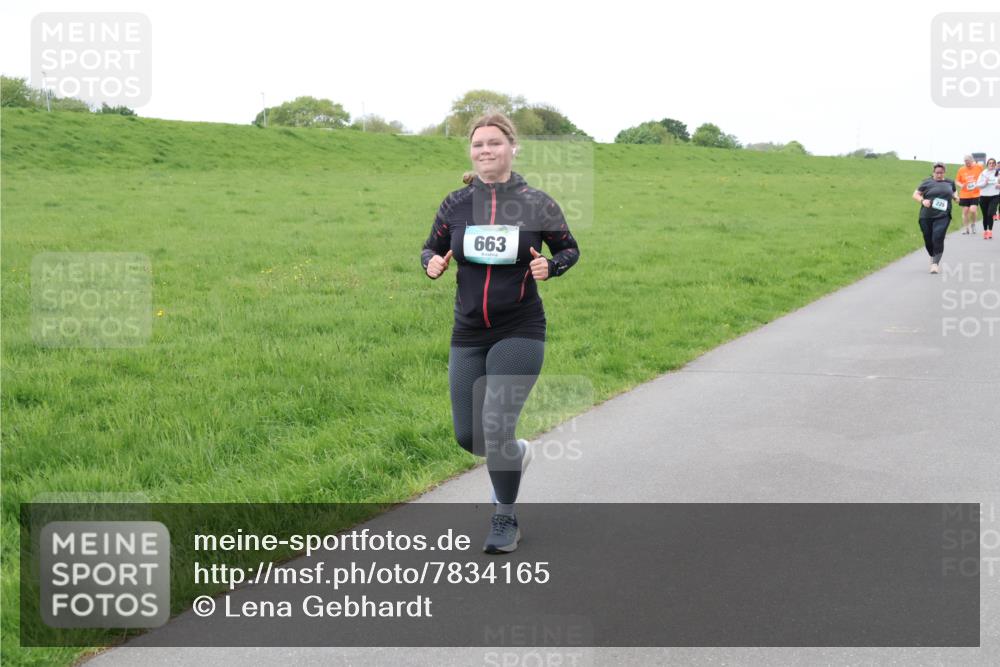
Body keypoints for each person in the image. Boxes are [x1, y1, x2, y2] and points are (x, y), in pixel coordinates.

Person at [420, 112, 580, 554]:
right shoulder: (455, 204)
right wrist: (430, 263)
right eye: (478, 145)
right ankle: (517, 452)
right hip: (468, 331)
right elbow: (430, 246)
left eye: (494, 142)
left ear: (512, 148)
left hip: (520, 328)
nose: (485, 150)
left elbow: (569, 248)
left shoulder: (537, 203)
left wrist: (552, 266)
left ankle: (504, 516)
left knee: (494, 425)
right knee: (470, 437)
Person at [912, 162, 959, 274]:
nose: (939, 175)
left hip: (943, 215)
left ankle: (935, 264)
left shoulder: (950, 182)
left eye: (941, 173)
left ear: (944, 172)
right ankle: (933, 256)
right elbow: (915, 194)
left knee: (938, 237)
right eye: (937, 173)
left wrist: (956, 198)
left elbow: (954, 193)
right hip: (926, 215)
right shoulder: (926, 182)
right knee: (928, 240)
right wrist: (923, 201)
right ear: (933, 172)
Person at [955, 154, 984, 234]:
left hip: (976, 193)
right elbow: (957, 181)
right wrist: (961, 185)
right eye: (965, 161)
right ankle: (966, 228)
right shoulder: (961, 169)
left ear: (972, 161)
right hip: (964, 194)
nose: (966, 163)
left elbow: (984, 175)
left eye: (968, 161)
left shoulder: (978, 167)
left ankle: (973, 224)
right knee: (965, 211)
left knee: (973, 210)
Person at [976, 157, 999, 240]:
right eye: (990, 163)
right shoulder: (983, 173)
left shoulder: (998, 173)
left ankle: (990, 231)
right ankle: (985, 231)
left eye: (993, 163)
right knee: (985, 215)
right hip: (983, 196)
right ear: (987, 164)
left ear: (995, 164)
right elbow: (978, 185)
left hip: (995, 196)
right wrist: (985, 183)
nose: (992, 164)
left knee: (990, 213)